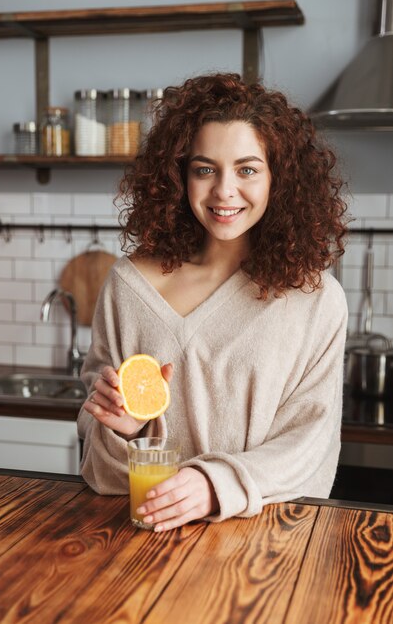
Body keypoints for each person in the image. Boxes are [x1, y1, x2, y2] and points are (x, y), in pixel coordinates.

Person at [78, 72, 349, 532]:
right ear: (179, 176)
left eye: (247, 169)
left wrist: (214, 483)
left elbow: (311, 444)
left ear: (277, 179)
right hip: (137, 541)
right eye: (205, 169)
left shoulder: (316, 299)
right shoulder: (127, 287)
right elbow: (98, 462)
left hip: (262, 554)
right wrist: (124, 430)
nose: (224, 191)